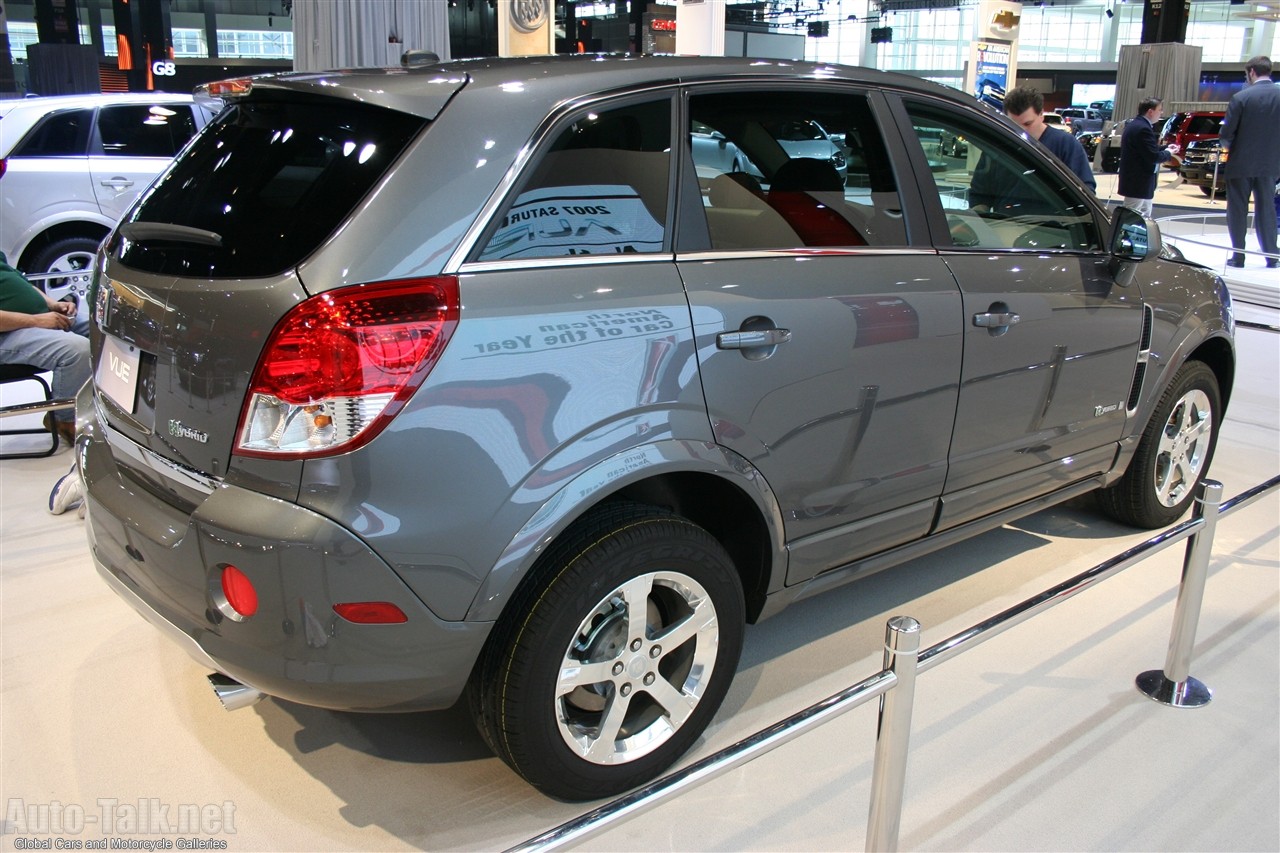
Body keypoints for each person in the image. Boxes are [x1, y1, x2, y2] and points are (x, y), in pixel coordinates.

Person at [0, 252, 90, 445]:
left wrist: (52, 304)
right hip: (5, 334)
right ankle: (63, 420)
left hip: (32, 319)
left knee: (103, 330)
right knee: (77, 350)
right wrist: (36, 320)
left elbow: (19, 281)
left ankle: (106, 406)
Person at [1219, 55, 1280, 268]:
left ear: (1252, 72)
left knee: (1237, 210)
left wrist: (1230, 146)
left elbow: (1226, 134)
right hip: (1270, 165)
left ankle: (1238, 256)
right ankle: (1272, 257)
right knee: (1267, 209)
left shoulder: (1241, 97)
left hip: (1240, 164)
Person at [1002, 86, 1097, 193]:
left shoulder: (1066, 144)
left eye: (1028, 124)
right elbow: (982, 187)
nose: (1021, 130)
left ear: (1041, 114)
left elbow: (1086, 191)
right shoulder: (1001, 144)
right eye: (1014, 124)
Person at [1118, 97, 1181, 218]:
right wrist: (1168, 152)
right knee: (1130, 217)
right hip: (1138, 182)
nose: (1161, 113)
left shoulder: (1136, 125)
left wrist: (1166, 148)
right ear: (1150, 111)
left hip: (1139, 182)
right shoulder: (1142, 129)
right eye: (1160, 110)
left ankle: (1139, 236)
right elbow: (1153, 157)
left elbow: (1146, 150)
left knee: (1143, 215)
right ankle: (1123, 236)